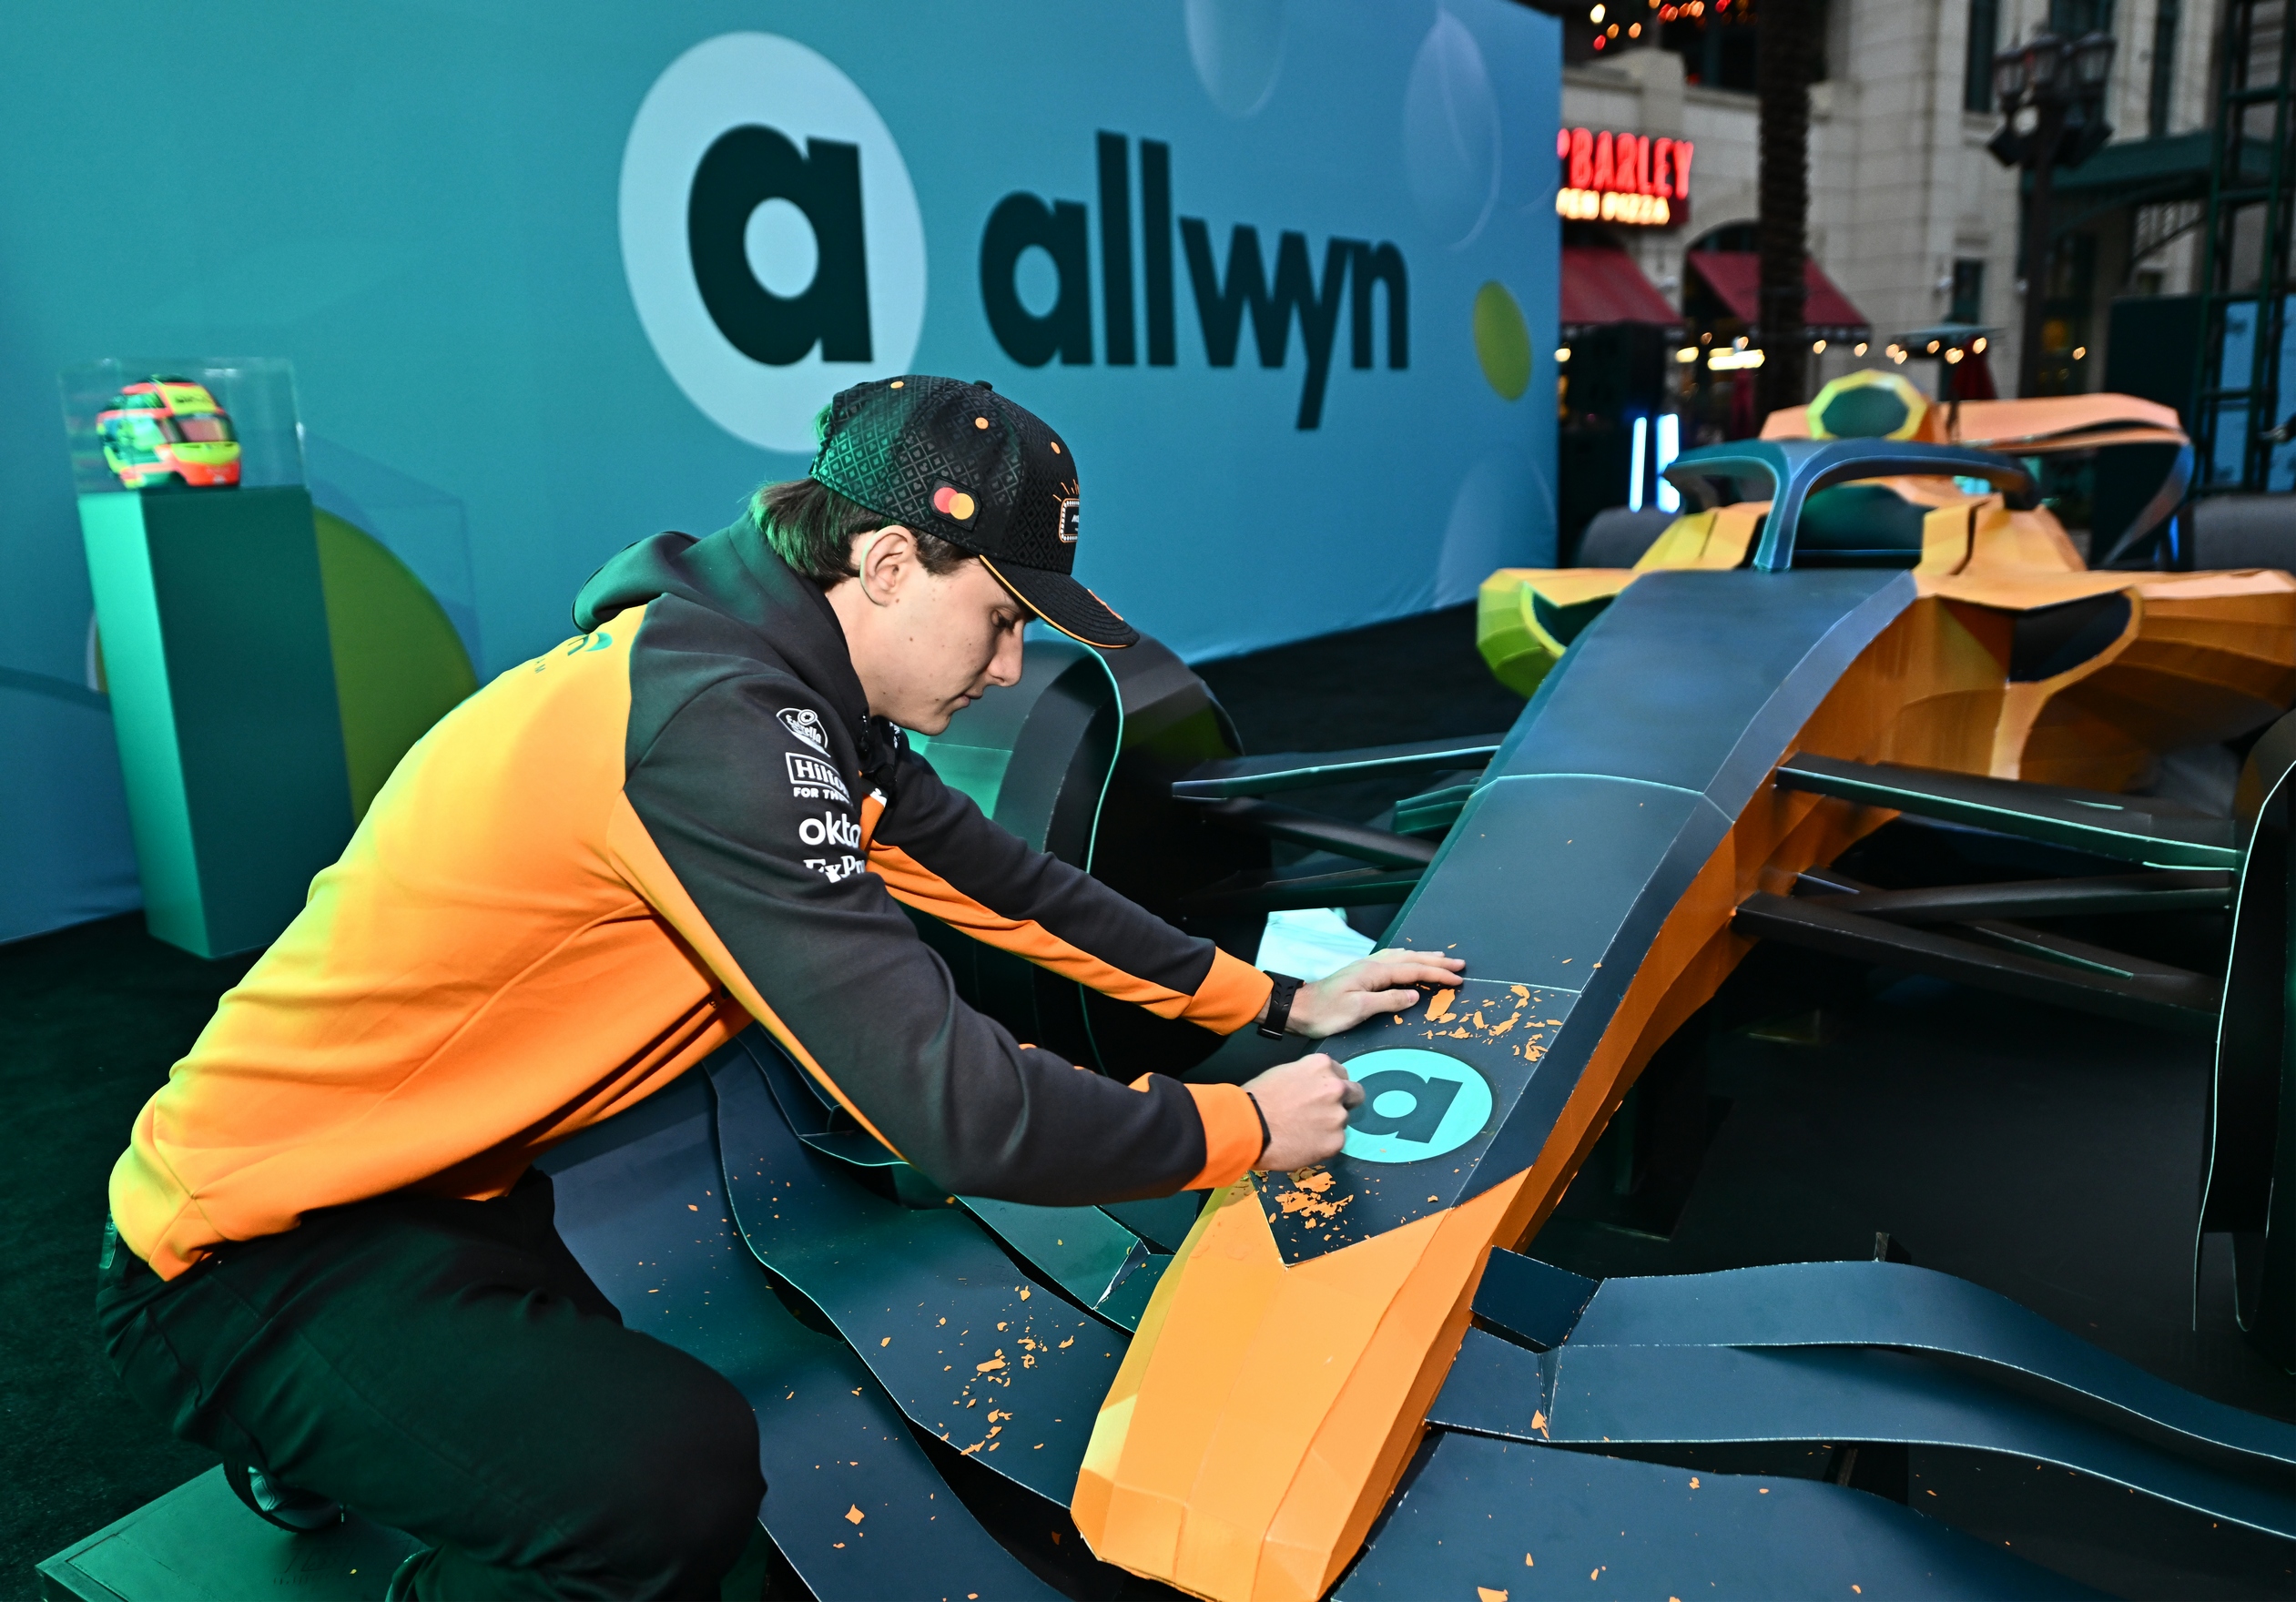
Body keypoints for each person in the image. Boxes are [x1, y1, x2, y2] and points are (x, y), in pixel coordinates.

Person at [95, 375, 1464, 1597]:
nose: (1006, 671)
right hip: (240, 1244)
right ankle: (263, 1414)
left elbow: (1004, 887)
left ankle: (299, 1442)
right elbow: (957, 1111)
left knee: (565, 1425)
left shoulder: (784, 691)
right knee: (674, 1492)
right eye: (996, 623)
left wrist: (1273, 1002)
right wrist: (1239, 1130)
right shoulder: (714, 728)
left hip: (443, 1185)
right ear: (883, 564)